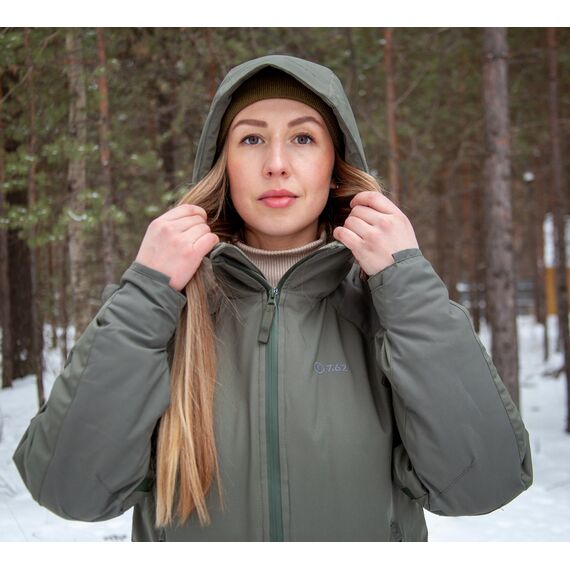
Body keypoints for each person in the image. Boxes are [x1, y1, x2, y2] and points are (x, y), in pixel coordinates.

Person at [13, 54, 533, 542]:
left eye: (303, 138)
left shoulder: (387, 309)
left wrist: (410, 286)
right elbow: (70, 489)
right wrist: (146, 294)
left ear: (335, 165)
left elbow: (481, 483)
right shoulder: (167, 313)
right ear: (223, 164)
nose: (277, 164)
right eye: (251, 139)